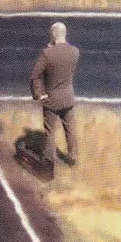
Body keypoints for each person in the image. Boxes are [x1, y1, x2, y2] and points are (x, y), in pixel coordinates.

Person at [30, 22, 79, 169]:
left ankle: (48, 160)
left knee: (50, 131)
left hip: (51, 100)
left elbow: (35, 76)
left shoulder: (47, 54)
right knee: (70, 129)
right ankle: (73, 157)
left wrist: (38, 94)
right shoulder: (75, 52)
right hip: (68, 97)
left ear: (53, 34)